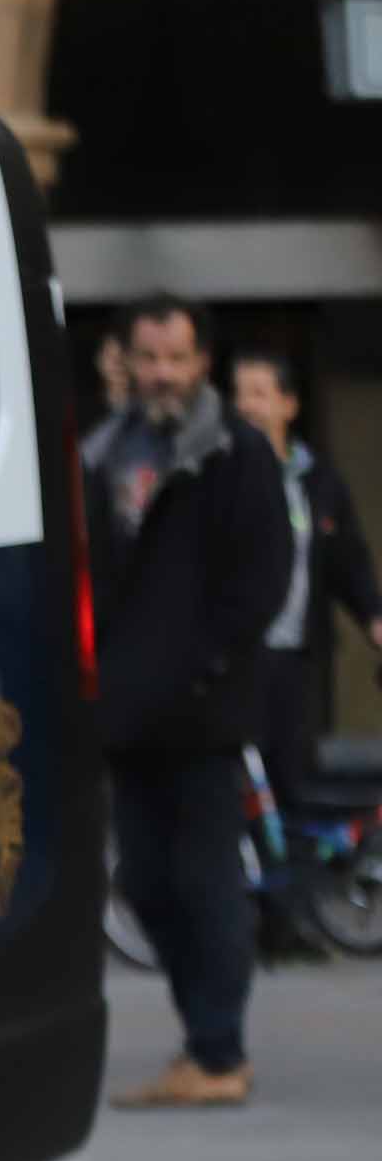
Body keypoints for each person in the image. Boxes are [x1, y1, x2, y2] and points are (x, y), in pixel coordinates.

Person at [82, 299, 291, 1108]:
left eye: (176, 358)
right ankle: (205, 1038)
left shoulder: (236, 454)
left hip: (205, 712)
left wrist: (203, 667)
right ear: (127, 361)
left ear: (202, 362)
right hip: (128, 715)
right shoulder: (104, 453)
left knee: (206, 881)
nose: (162, 374)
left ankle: (217, 1050)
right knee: (144, 880)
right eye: (149, 358)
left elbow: (263, 581)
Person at [223, 350, 382, 821]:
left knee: (292, 779)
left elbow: (347, 561)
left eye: (259, 394)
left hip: (297, 656)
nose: (247, 406)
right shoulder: (219, 475)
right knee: (239, 785)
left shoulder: (317, 479)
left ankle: (293, 882)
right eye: (239, 395)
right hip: (237, 658)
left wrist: (374, 618)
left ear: (288, 405)